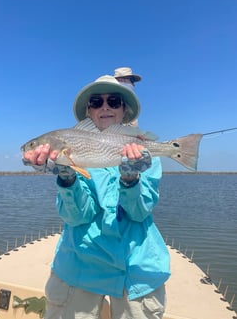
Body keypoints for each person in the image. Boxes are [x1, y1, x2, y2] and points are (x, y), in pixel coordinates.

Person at [22, 75, 170, 319]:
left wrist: (131, 178)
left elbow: (139, 212)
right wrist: (67, 177)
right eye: (96, 102)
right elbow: (78, 216)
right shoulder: (73, 152)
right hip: (80, 266)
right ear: (88, 111)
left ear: (124, 110)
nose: (105, 107)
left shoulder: (142, 153)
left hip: (135, 270)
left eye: (114, 101)